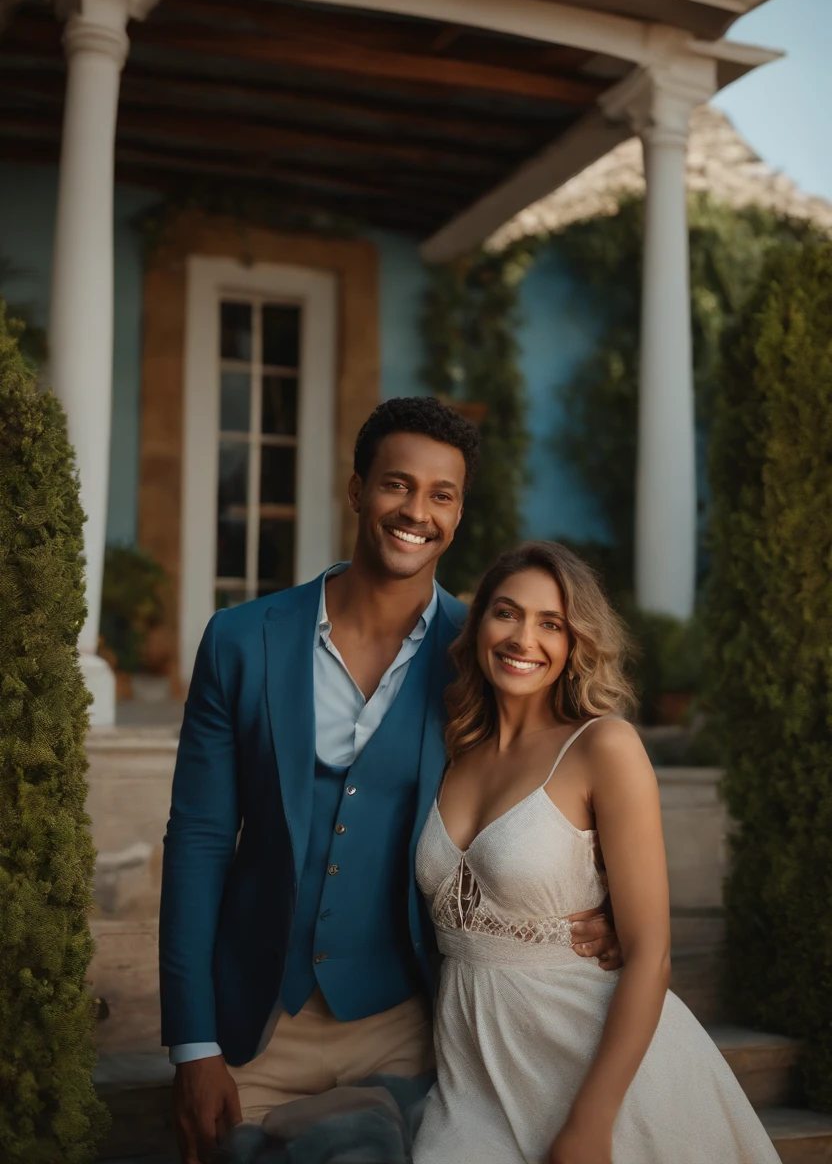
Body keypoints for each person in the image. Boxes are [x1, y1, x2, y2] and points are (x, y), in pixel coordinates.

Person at [159, 399, 619, 1164]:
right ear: (356, 490)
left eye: (442, 495)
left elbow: (570, 765)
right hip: (253, 1026)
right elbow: (200, 842)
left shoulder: (488, 650)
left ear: (460, 511)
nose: (417, 512)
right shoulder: (240, 641)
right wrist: (193, 1043)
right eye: (396, 485)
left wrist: (612, 905)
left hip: (409, 1025)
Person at [413, 540, 781, 1164]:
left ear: (575, 641)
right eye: (506, 613)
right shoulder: (452, 749)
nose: (523, 637)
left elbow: (651, 955)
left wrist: (592, 1122)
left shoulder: (603, 747)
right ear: (478, 625)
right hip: (472, 1076)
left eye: (550, 623)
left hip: (605, 1075)